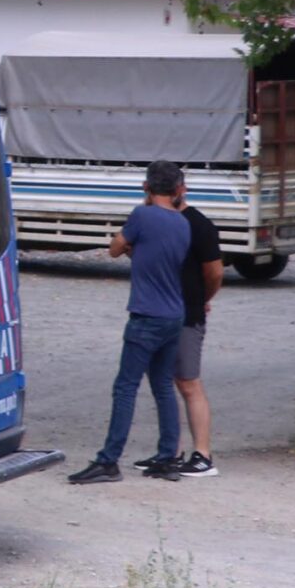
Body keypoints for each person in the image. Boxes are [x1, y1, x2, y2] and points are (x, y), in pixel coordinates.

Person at [69, 162, 191, 484]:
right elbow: (154, 257)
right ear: (178, 189)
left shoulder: (142, 216)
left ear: (146, 187)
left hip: (146, 316)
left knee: (125, 387)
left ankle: (109, 460)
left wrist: (139, 216)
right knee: (163, 386)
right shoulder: (182, 223)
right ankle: (168, 457)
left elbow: (113, 249)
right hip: (173, 314)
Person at [169, 181, 225, 477]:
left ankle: (203, 454)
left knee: (189, 382)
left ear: (183, 189)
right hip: (163, 313)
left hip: (188, 315)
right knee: (166, 382)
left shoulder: (199, 225)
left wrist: (202, 298)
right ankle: (171, 452)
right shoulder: (156, 220)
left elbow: (215, 272)